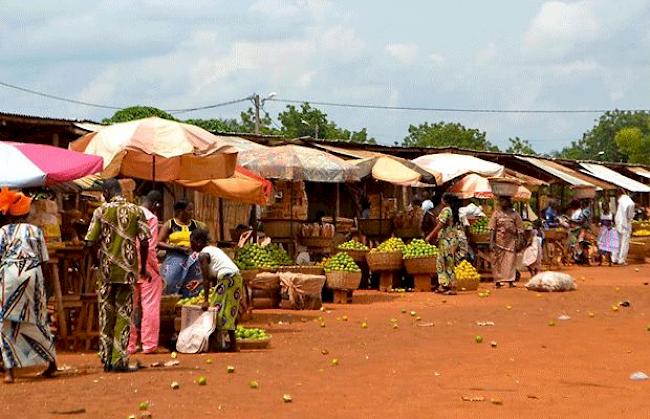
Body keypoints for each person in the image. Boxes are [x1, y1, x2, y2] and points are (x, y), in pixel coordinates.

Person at [85, 179, 151, 373]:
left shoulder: (101, 211)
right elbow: (145, 240)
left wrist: (97, 264)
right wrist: (144, 266)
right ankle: (119, 359)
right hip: (128, 270)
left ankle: (106, 359)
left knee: (106, 313)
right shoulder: (136, 210)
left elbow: (89, 242)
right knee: (123, 314)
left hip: (106, 272)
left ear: (106, 191)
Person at [0, 190, 57, 384]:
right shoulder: (35, 231)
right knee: (37, 318)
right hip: (32, 274)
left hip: (8, 275)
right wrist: (47, 287)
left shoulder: (2, 232)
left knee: (6, 322)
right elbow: (44, 261)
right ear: (26, 212)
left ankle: (9, 371)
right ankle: (50, 362)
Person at [191, 229, 243, 352]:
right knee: (229, 310)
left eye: (191, 242)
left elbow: (206, 278)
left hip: (227, 279)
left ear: (198, 242)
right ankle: (233, 345)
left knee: (214, 309)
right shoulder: (213, 249)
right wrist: (199, 283)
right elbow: (213, 275)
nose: (190, 245)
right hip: (236, 278)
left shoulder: (203, 254)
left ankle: (215, 346)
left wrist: (205, 300)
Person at [128, 191, 165, 355]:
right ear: (156, 204)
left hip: (128, 264)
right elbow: (149, 247)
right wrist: (154, 268)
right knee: (150, 305)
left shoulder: (129, 214)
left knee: (129, 306)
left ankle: (128, 344)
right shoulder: (151, 218)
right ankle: (149, 344)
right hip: (145, 266)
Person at [158, 200, 207, 296]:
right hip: (175, 258)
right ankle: (171, 306)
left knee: (192, 286)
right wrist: (177, 248)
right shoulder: (170, 224)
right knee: (170, 283)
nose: (192, 212)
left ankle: (189, 305)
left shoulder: (197, 225)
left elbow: (205, 241)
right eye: (189, 210)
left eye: (192, 209)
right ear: (180, 211)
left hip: (193, 260)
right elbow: (158, 242)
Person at [426, 194, 468, 295]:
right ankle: (448, 286)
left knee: (441, 262)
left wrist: (430, 236)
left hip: (446, 240)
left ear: (444, 201)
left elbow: (440, 225)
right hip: (452, 240)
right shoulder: (453, 210)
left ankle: (445, 285)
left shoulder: (446, 210)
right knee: (449, 262)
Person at [489, 195, 523, 288]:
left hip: (511, 242)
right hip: (499, 241)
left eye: (504, 201)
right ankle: (498, 281)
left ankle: (511, 280)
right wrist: (491, 241)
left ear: (508, 202)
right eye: (501, 201)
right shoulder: (496, 214)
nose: (502, 203)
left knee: (510, 261)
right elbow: (492, 228)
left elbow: (520, 229)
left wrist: (519, 241)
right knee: (497, 262)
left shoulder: (515, 215)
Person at [613, 189, 635, 265]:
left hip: (618, 222)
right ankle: (621, 259)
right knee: (624, 242)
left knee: (617, 241)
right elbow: (630, 216)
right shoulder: (630, 202)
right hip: (625, 223)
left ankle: (614, 258)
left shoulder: (619, 201)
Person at [597, 200, 618, 266]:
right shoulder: (601, 214)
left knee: (608, 246)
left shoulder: (611, 214)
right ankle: (600, 261)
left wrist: (610, 226)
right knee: (601, 245)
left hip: (609, 231)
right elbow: (599, 222)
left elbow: (614, 223)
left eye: (605, 206)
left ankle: (609, 261)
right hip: (602, 230)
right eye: (603, 207)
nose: (605, 208)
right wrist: (600, 224)